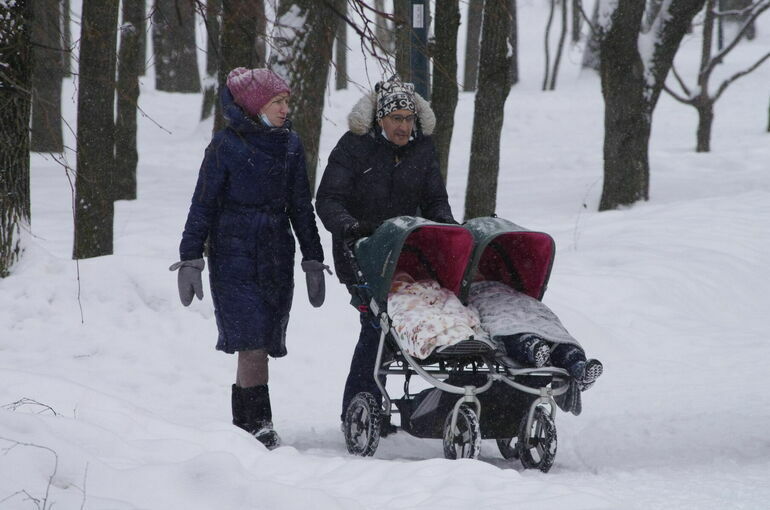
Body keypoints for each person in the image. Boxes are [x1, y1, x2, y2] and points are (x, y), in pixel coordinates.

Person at [169, 67, 329, 449]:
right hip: (233, 255)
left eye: (287, 101)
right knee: (251, 341)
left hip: (275, 255)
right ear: (257, 104)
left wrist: (312, 257)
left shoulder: (290, 145)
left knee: (265, 340)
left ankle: (245, 426)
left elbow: (300, 207)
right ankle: (258, 426)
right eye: (277, 101)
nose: (285, 109)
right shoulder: (225, 146)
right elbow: (202, 204)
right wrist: (191, 256)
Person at [315, 75, 457, 430]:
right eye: (397, 119)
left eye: (410, 119)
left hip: (408, 254)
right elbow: (329, 198)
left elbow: (435, 199)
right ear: (380, 119)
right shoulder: (354, 147)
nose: (404, 126)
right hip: (362, 251)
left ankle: (425, 402)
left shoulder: (422, 149)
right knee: (377, 327)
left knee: (406, 325)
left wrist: (447, 225)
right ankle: (359, 406)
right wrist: (349, 226)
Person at [469, 279, 603, 415]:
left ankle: (577, 365)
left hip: (521, 304)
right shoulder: (473, 292)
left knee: (548, 334)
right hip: (497, 307)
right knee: (515, 331)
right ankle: (541, 350)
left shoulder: (507, 287)